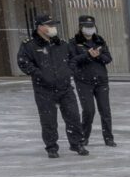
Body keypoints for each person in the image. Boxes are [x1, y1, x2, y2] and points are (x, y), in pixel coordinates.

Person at [17, 14, 87, 158]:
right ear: (40, 27)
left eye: (53, 25)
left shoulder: (60, 43)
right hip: (44, 89)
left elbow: (72, 59)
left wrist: (69, 71)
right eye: (49, 25)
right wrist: (40, 74)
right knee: (48, 120)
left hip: (65, 87)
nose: (53, 28)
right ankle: (51, 147)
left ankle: (77, 144)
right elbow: (23, 62)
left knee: (73, 116)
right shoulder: (29, 45)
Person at [71, 15, 115, 147]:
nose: (90, 29)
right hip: (84, 81)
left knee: (105, 110)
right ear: (80, 27)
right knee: (89, 110)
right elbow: (73, 61)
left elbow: (108, 58)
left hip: (101, 80)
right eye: (87, 27)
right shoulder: (73, 43)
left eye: (92, 26)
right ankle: (84, 137)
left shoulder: (99, 40)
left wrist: (99, 56)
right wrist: (87, 56)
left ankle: (108, 138)